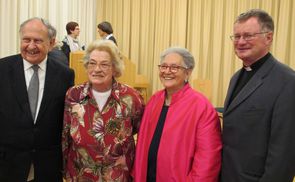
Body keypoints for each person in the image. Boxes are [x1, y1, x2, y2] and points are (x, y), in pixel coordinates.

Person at [221, 9, 295, 182]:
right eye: (236, 36)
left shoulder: (287, 81)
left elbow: (284, 154)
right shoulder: (235, 78)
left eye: (248, 36)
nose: (240, 42)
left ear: (268, 38)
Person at [0, 17, 74, 182]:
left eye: (38, 40)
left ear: (52, 43)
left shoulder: (65, 75)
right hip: (8, 165)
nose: (31, 46)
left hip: (48, 166)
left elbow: (67, 120)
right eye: (26, 39)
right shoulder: (2, 69)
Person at [133, 47, 222, 181]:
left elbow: (208, 160)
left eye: (174, 67)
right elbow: (142, 143)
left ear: (188, 72)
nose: (167, 71)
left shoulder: (201, 107)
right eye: (163, 66)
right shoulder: (154, 101)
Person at [62, 39, 144, 181]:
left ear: (115, 68)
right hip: (80, 175)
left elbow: (140, 133)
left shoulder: (131, 97)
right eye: (92, 63)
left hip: (117, 177)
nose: (97, 69)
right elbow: (65, 135)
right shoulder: (73, 94)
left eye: (104, 64)